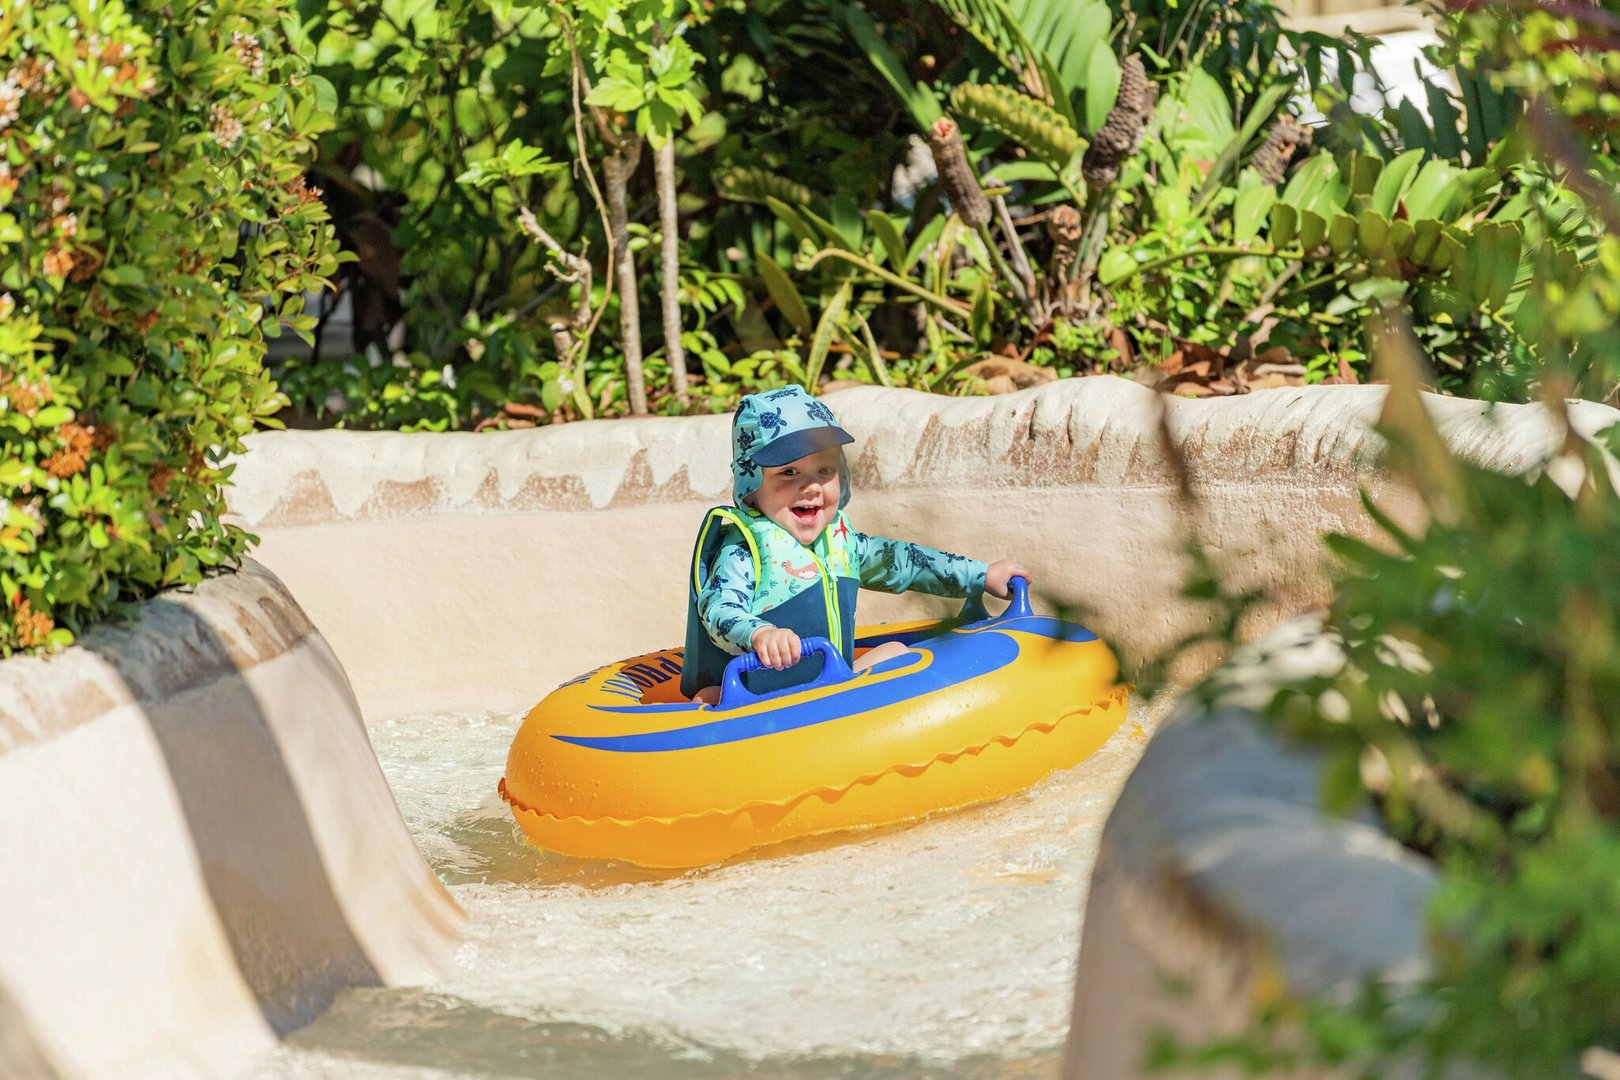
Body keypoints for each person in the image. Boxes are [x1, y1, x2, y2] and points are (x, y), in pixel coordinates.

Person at [680, 386, 1031, 705]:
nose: (811, 487)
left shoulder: (842, 543)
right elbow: (719, 610)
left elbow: (906, 563)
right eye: (789, 472)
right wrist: (760, 633)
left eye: (825, 470)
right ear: (752, 483)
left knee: (894, 653)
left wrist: (981, 575)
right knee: (709, 698)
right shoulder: (744, 550)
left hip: (830, 684)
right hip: (758, 699)